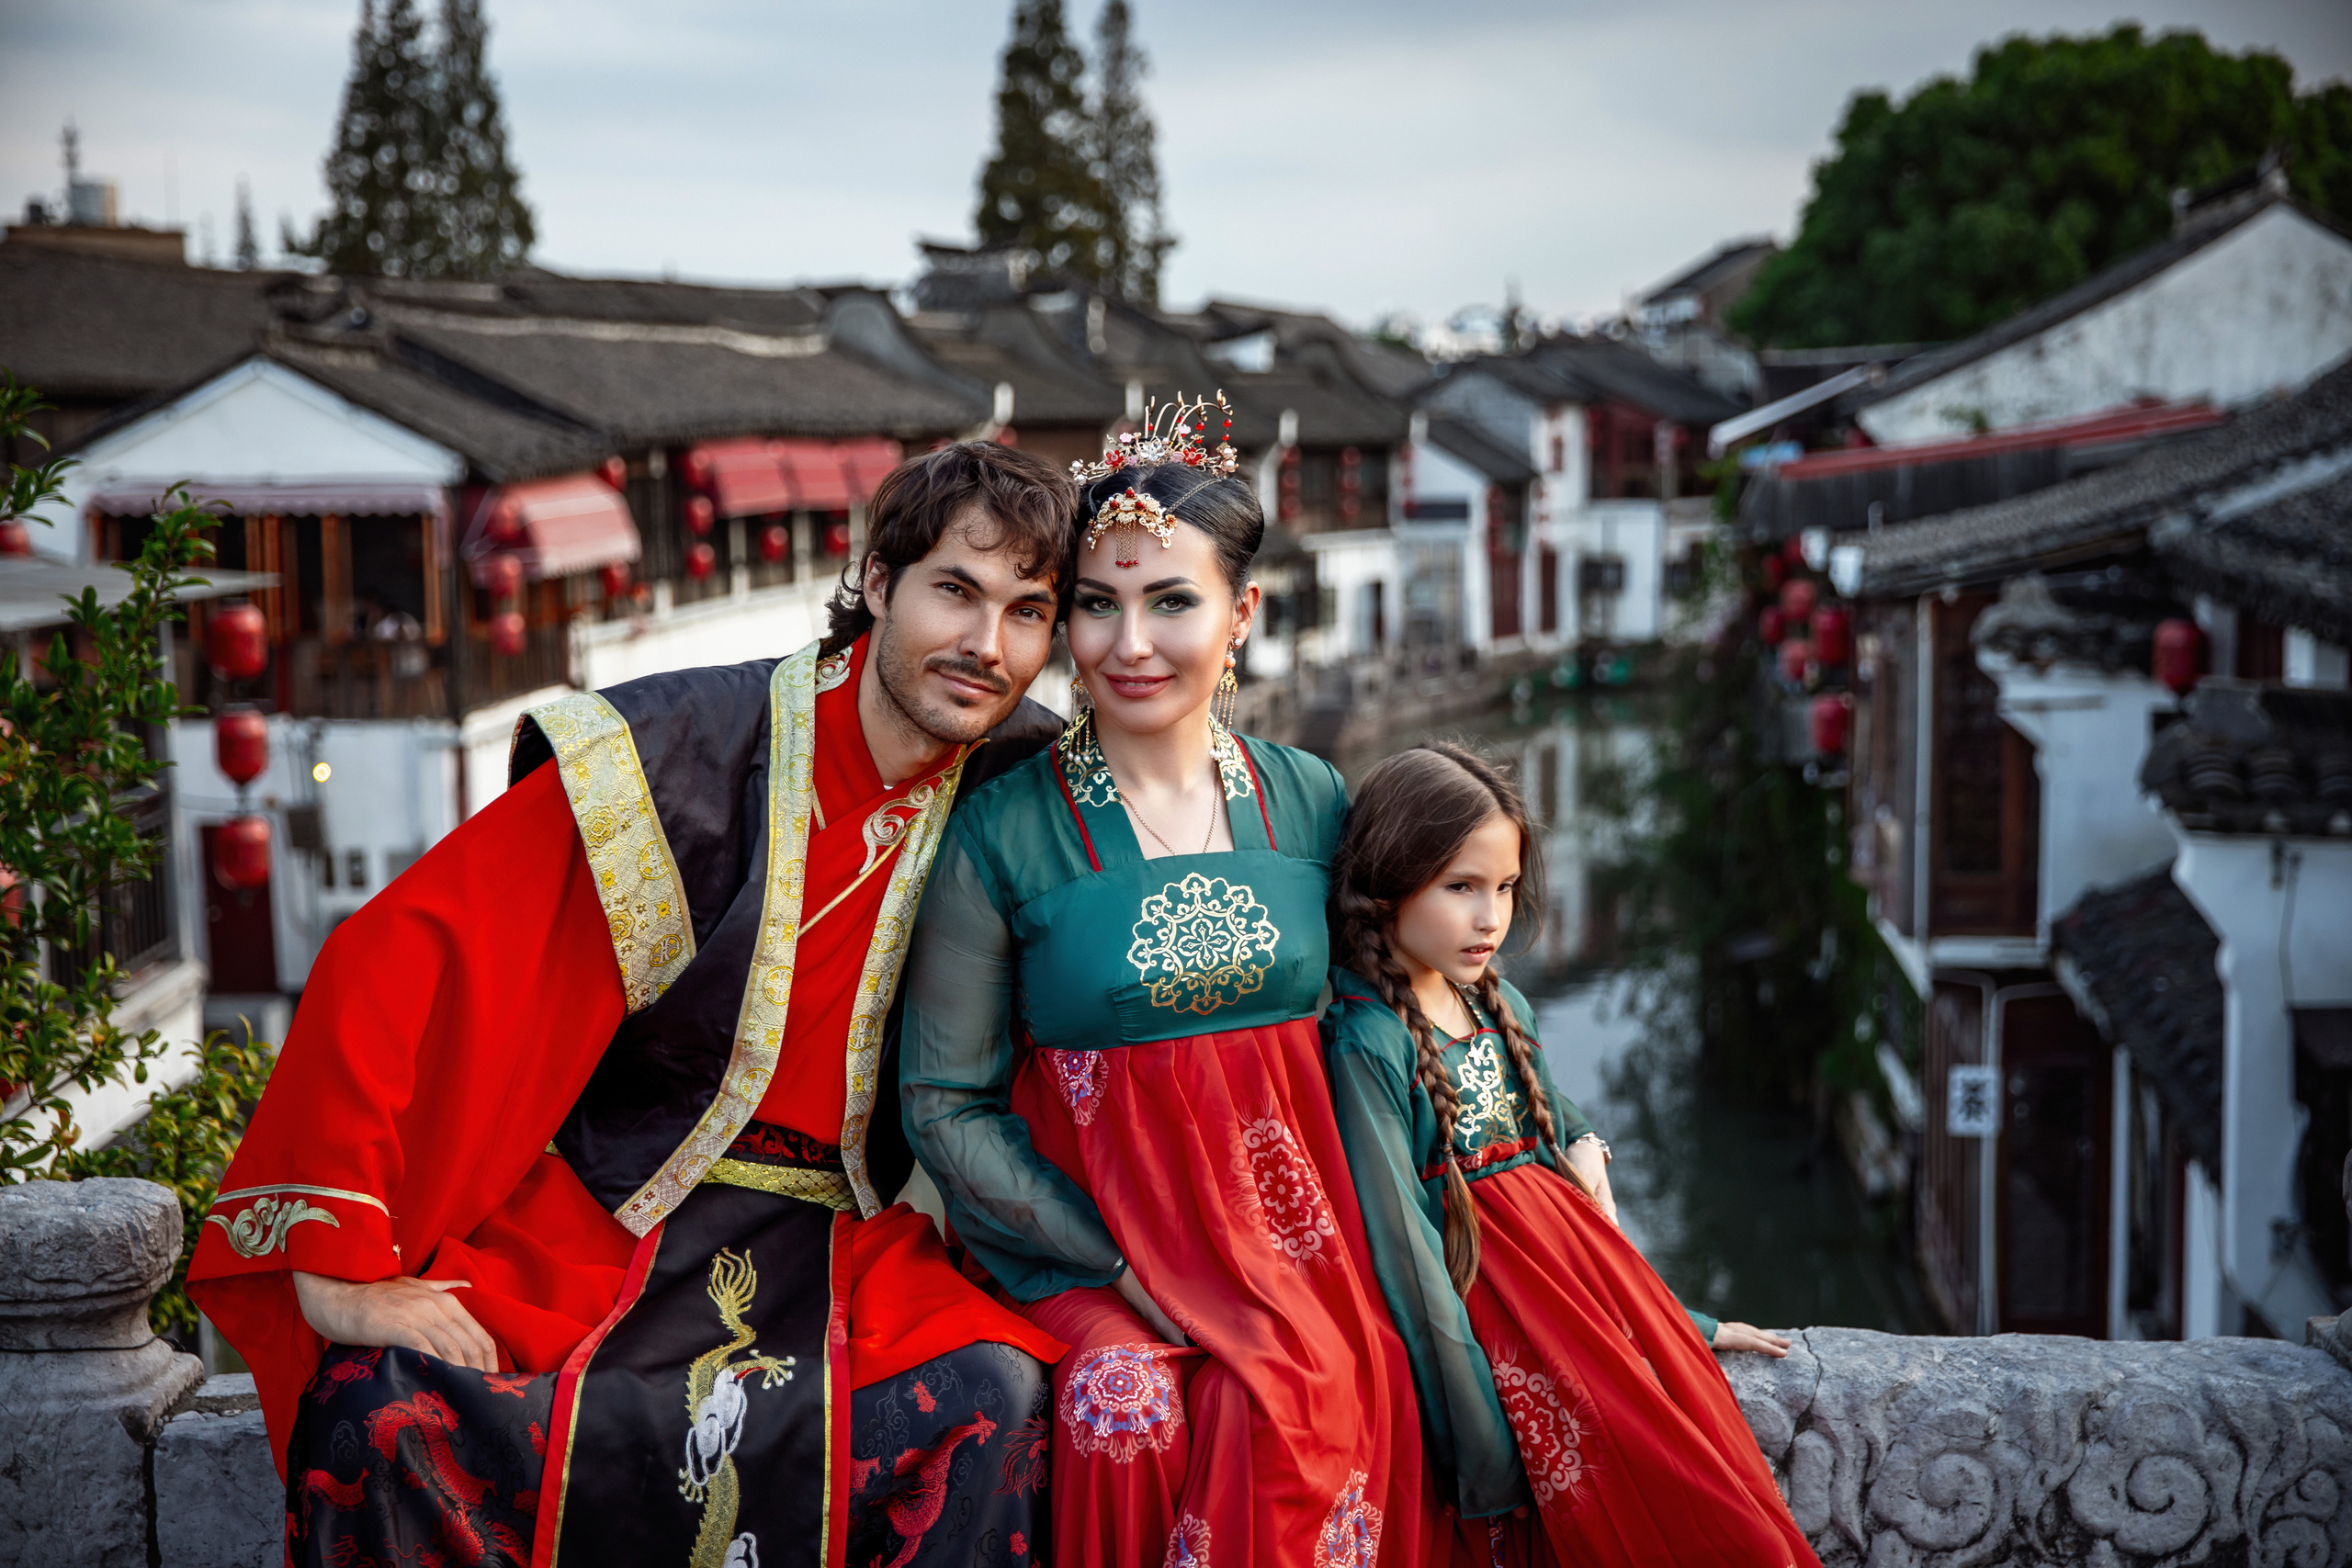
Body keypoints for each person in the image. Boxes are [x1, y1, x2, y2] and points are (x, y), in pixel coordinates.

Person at [188, 442, 1081, 1568]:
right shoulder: (678, 754)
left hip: (849, 1242)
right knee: (379, 1402)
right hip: (602, 1216)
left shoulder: (1032, 789)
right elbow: (404, 952)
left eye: (1027, 611)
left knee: (993, 1401)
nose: (983, 646)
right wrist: (336, 1269)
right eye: (955, 589)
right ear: (877, 576)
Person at [900, 400, 1437, 1567]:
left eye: (1170, 601)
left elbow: (1398, 1016)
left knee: (1351, 1375)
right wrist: (1113, 1258)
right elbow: (945, 1103)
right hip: (1094, 1254)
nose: (1128, 644)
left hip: (1295, 1244)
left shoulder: (1312, 800)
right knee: (1126, 1406)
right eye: (1096, 604)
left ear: (1241, 612)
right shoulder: (999, 835)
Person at [1321, 742, 1819, 1568]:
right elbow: (1403, 1253)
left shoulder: (1500, 1002)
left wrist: (1688, 1322)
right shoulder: (1368, 1040)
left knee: (1718, 1496)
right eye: (1462, 887)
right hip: (1506, 1318)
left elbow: (1559, 1140)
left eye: (1506, 887)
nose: (1492, 917)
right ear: (1385, 883)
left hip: (1588, 1292)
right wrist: (1474, 1436)